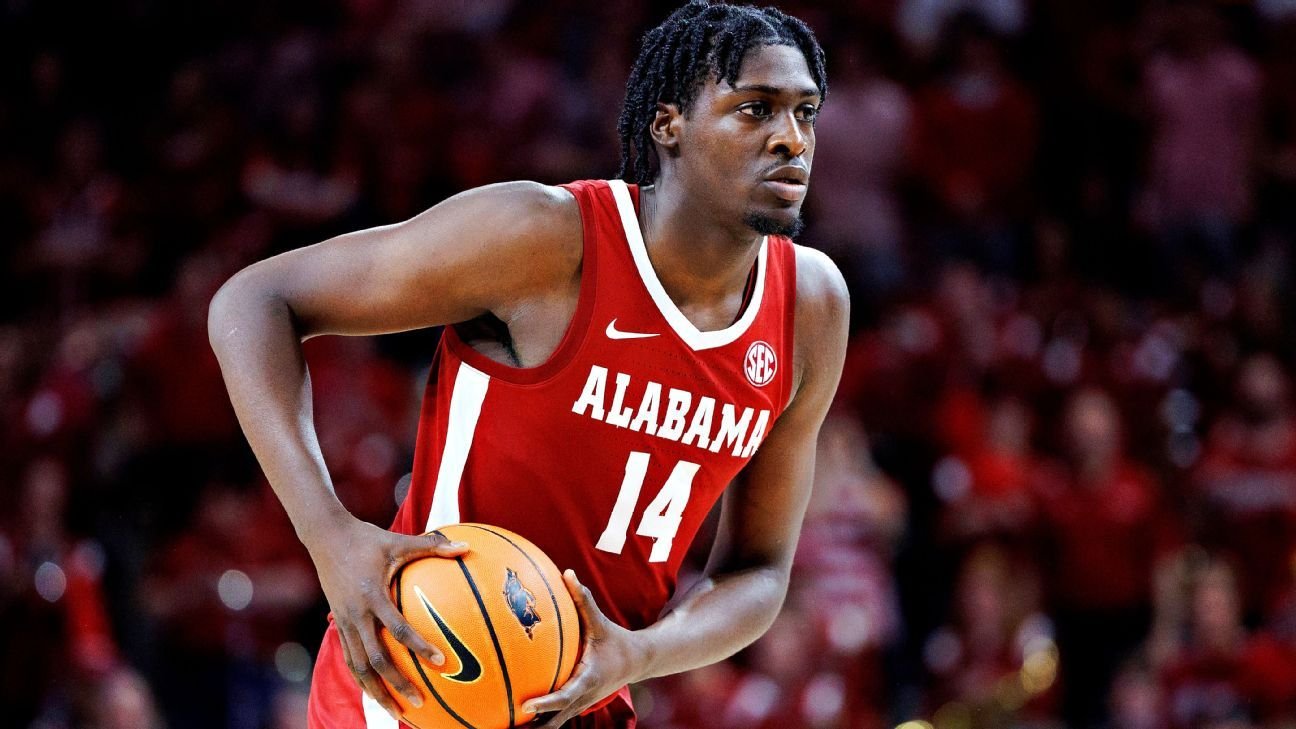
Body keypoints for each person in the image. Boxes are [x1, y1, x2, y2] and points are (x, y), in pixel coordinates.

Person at [207, 2, 849, 728]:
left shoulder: (811, 307)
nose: (791, 138)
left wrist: (638, 654)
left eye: (805, 113)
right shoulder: (545, 241)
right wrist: (329, 536)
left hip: (582, 699)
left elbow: (759, 571)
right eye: (755, 109)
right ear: (668, 124)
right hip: (421, 680)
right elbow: (253, 301)